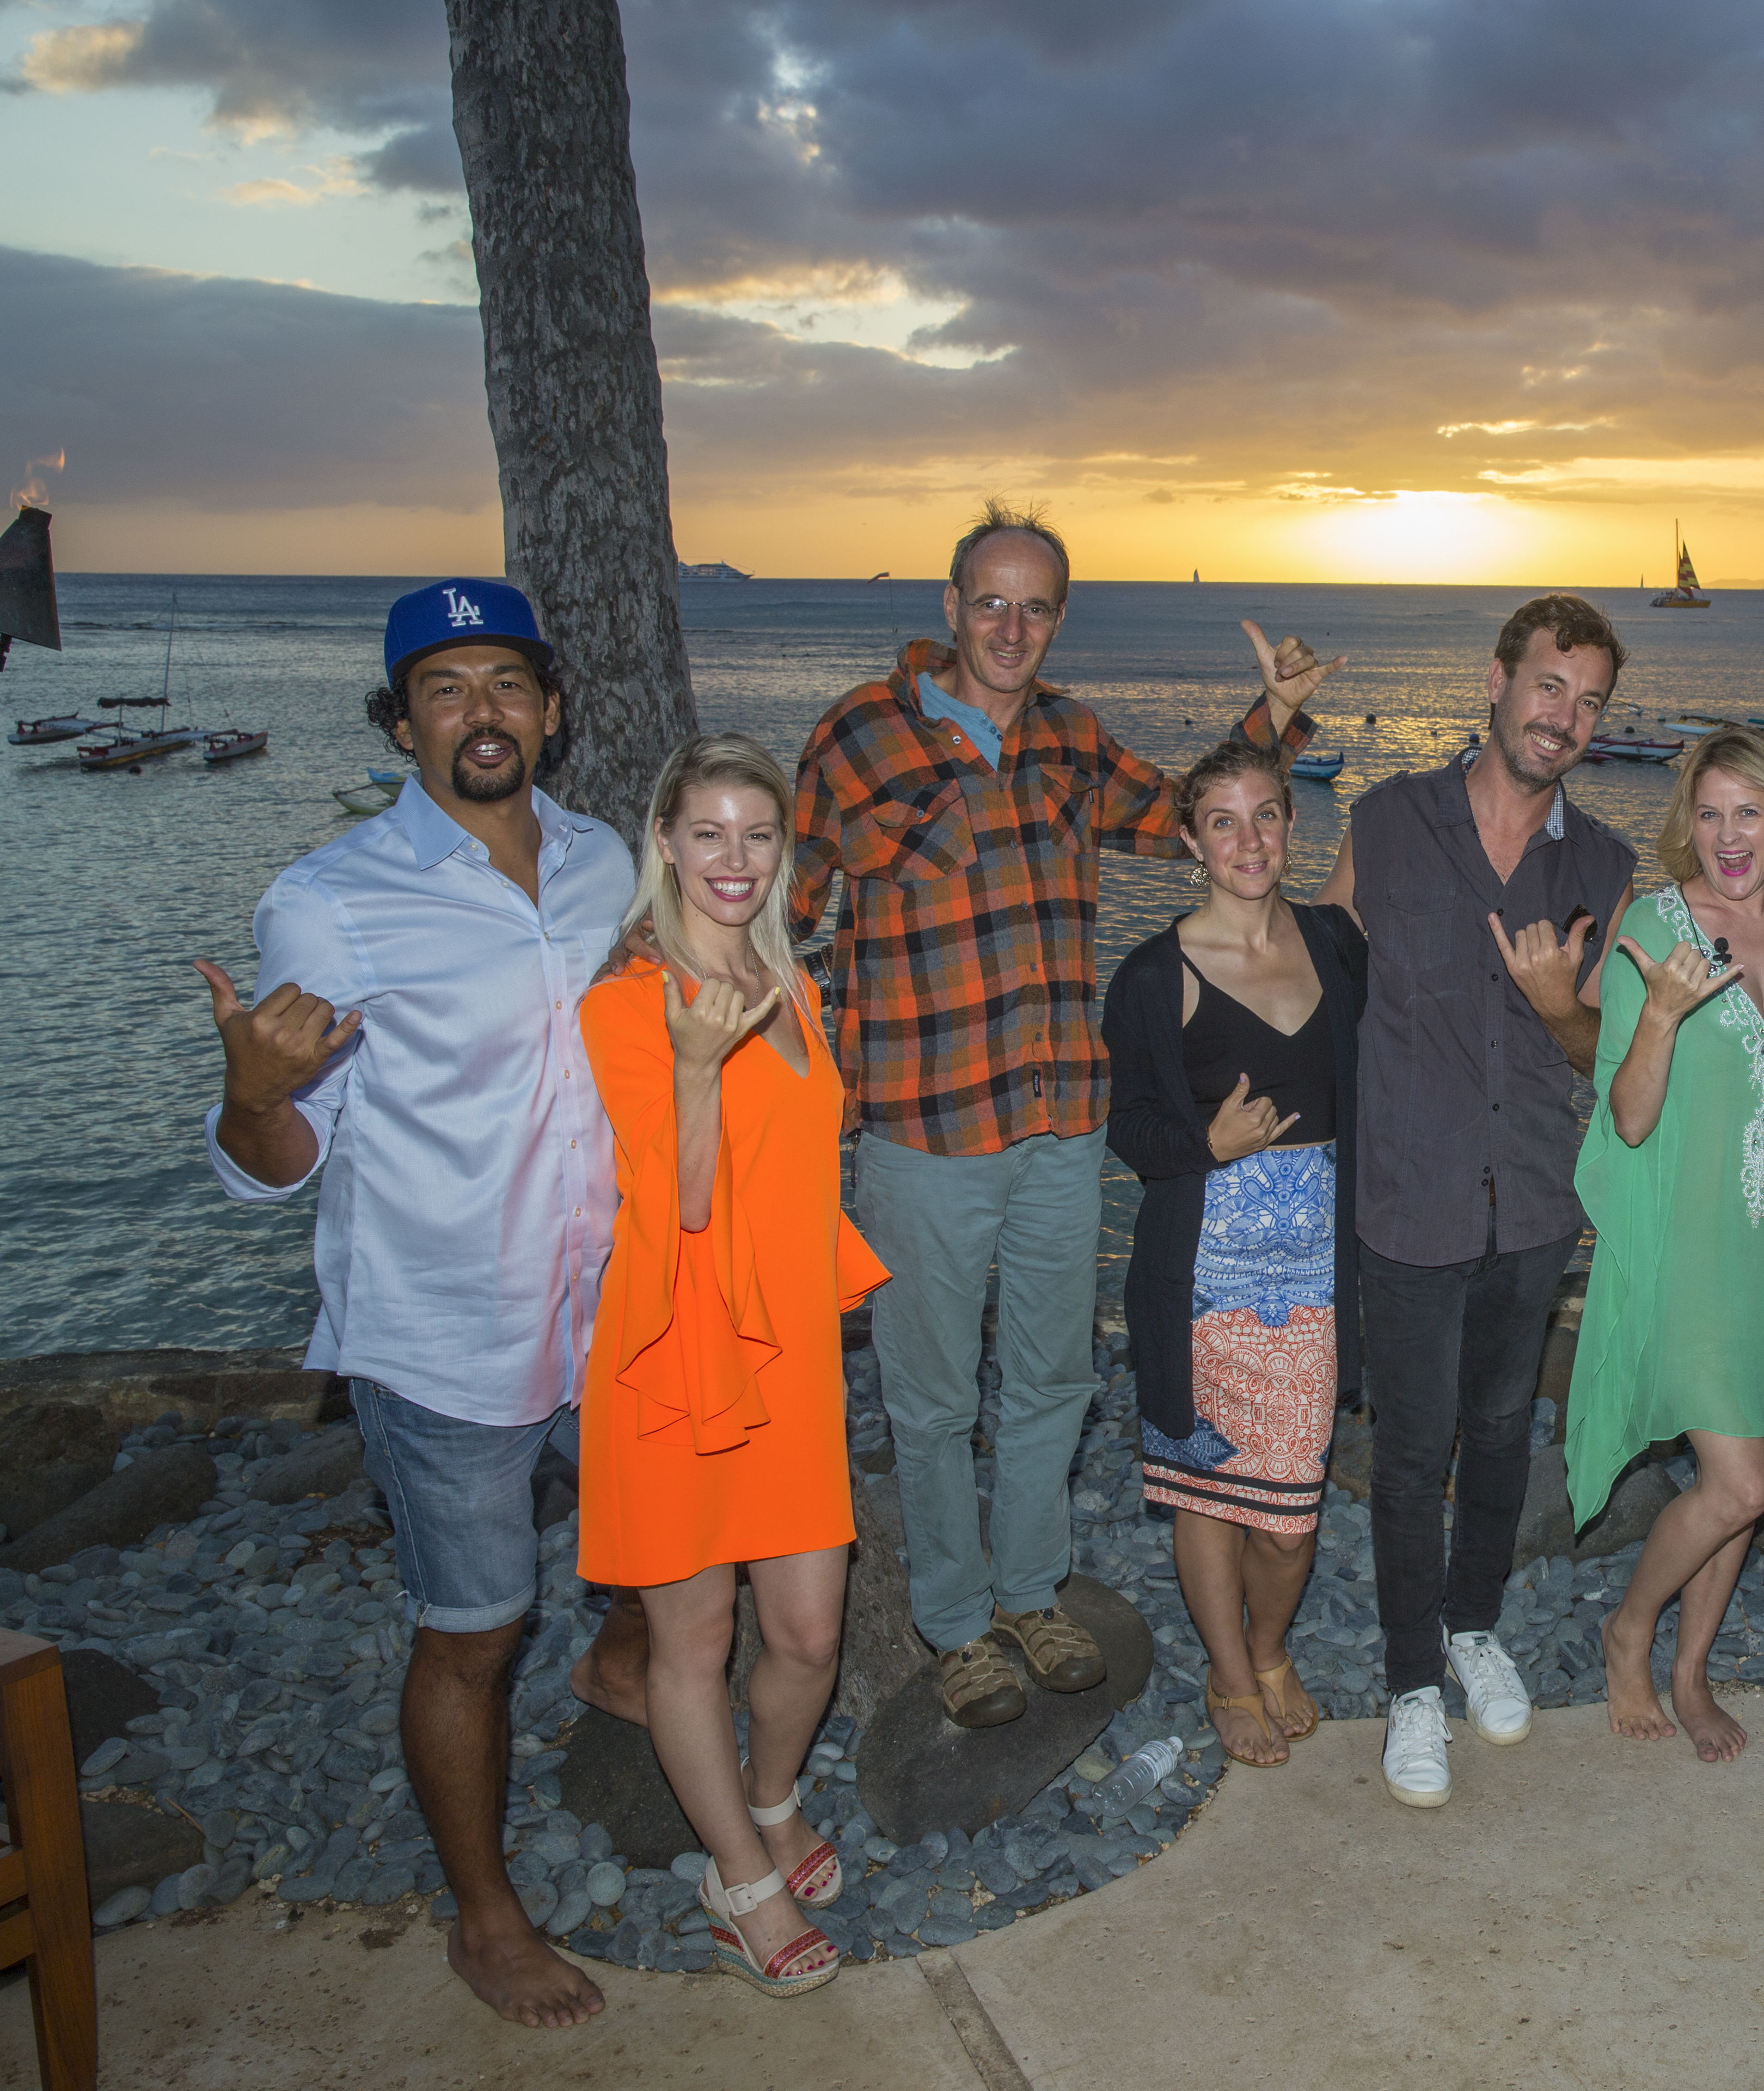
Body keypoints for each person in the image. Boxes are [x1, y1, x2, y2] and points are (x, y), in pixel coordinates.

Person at [789, 501, 1340, 1728]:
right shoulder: (859, 738)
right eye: (991, 599)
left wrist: (1277, 720)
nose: (1012, 625)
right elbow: (784, 916)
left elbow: (1189, 815)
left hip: (1059, 1128)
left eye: (1037, 606)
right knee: (929, 1401)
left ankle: (1032, 1591)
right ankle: (953, 1621)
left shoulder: (1074, 742)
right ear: (949, 606)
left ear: (1057, 621)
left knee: (1050, 1376)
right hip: (923, 1133)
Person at [192, 579, 646, 2028]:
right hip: (445, 1330)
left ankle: (623, 1653)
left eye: (506, 683)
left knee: (657, 1538)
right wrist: (250, 1096)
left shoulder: (600, 864)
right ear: (401, 723)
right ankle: (486, 1912)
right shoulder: (330, 901)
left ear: (551, 708)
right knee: (473, 1629)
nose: (482, 713)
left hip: (610, 1295)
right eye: (444, 690)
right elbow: (273, 1164)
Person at [1313, 594, 1637, 1807]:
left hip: (1536, 1205)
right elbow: (1321, 983)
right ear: (1497, 682)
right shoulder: (1389, 822)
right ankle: (1408, 1684)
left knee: (1504, 1434)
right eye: (1549, 685)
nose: (1565, 716)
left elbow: (1594, 1053)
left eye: (1590, 699)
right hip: (1409, 1193)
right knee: (1409, 1456)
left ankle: (1472, 1626)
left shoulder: (1600, 864)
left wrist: (1560, 1001)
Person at [577, 733, 885, 1996]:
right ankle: (740, 1880)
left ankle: (770, 1798)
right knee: (692, 1640)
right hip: (674, 1356)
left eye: (757, 836)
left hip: (788, 1352)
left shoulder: (793, 985)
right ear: (664, 845)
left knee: (809, 1635)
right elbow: (681, 1205)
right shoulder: (621, 1005)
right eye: (708, 833)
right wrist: (698, 1069)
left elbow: (808, 1165)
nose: (735, 860)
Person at [1102, 741, 1366, 1769]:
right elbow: (1127, 1128)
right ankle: (1229, 1670)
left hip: (1312, 1287)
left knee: (1291, 1515)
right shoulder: (1153, 976)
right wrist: (1205, 1145)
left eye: (1268, 814)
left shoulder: (1336, 946)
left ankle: (1270, 1647)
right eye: (1223, 820)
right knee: (1207, 1497)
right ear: (1190, 841)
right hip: (1201, 1287)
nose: (1249, 838)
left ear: (1291, 828)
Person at [1568, 729, 1764, 1763]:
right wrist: (1663, 1018)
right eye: (1711, 813)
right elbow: (1628, 1120)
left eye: (1751, 812)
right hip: (1696, 1247)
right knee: (1744, 1487)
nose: (1730, 836)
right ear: (1689, 819)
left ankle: (1691, 1670)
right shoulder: (1654, 927)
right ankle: (1630, 1632)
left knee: (1750, 1462)